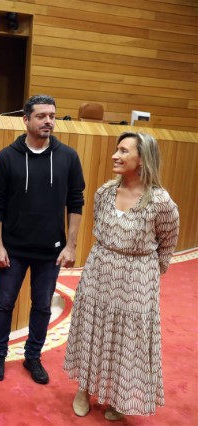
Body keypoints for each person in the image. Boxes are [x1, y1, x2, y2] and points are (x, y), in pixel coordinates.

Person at [64, 132, 179, 420]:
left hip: (137, 278)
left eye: (124, 151)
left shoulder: (161, 202)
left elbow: (168, 243)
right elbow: (98, 230)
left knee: (126, 339)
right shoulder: (104, 192)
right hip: (99, 270)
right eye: (117, 150)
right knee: (93, 329)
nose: (116, 156)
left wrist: (148, 274)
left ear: (142, 160)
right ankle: (84, 388)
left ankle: (117, 395)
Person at [0, 94, 85, 384]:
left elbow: (75, 201)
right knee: (4, 303)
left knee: (42, 305)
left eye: (52, 116)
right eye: (41, 116)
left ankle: (33, 357)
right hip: (13, 249)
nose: (48, 121)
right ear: (26, 119)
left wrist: (71, 244)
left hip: (50, 251)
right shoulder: (7, 157)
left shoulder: (68, 157)